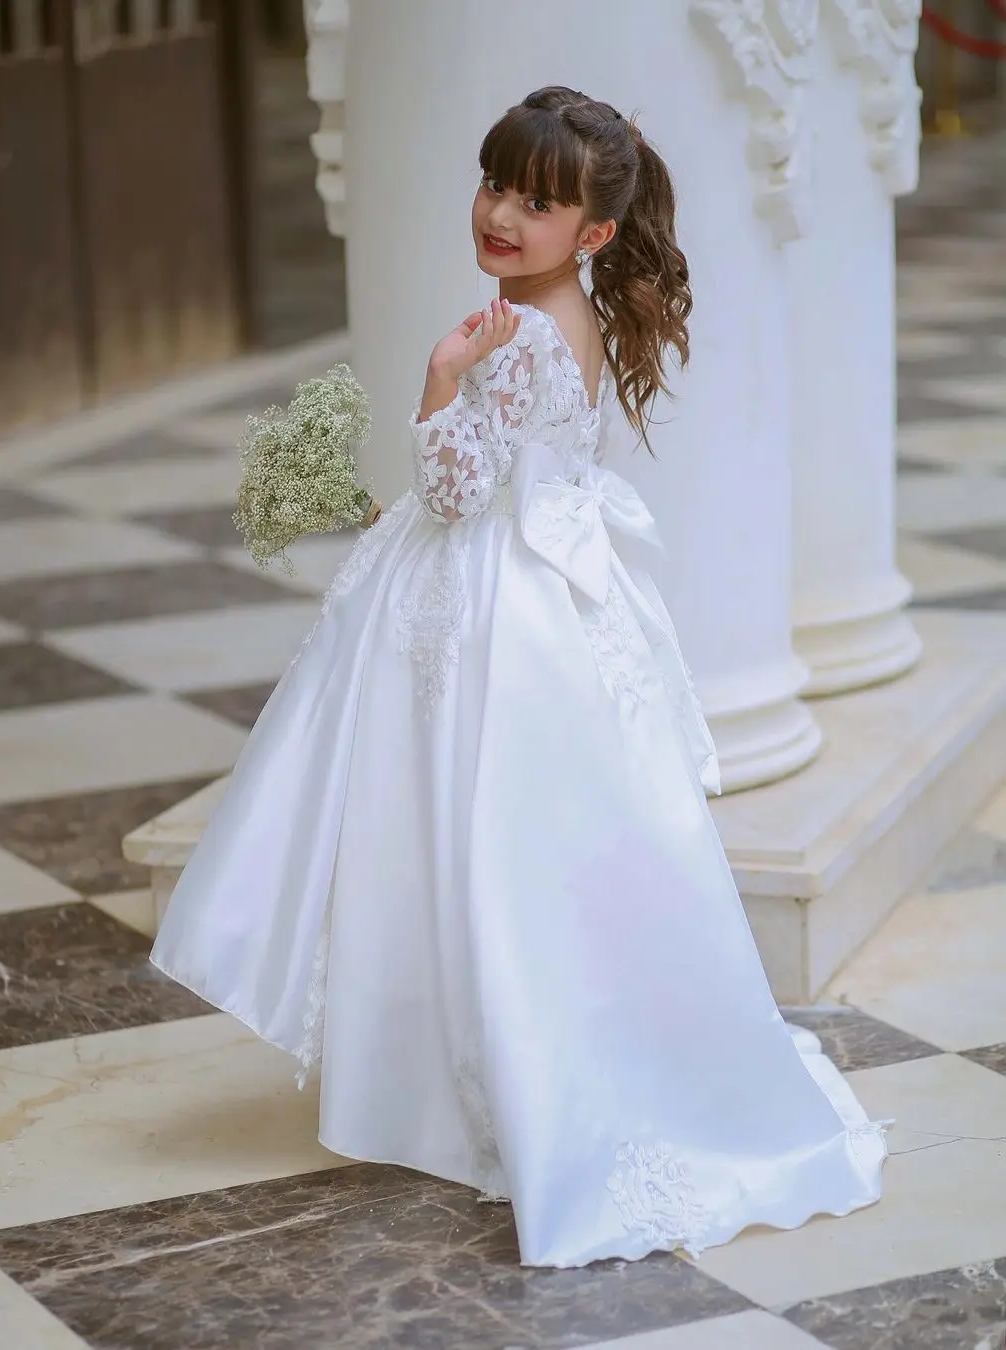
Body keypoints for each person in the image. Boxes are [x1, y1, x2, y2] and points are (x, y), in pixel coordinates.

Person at [151, 86, 887, 1269]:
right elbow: (499, 482)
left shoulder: (521, 334)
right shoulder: (567, 313)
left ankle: (476, 1073)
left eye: (536, 203)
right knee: (506, 834)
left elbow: (453, 488)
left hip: (501, 600)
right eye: (494, 185)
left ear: (592, 234)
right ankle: (500, 1057)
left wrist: (442, 378)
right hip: (525, 579)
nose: (500, 213)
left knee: (461, 826)